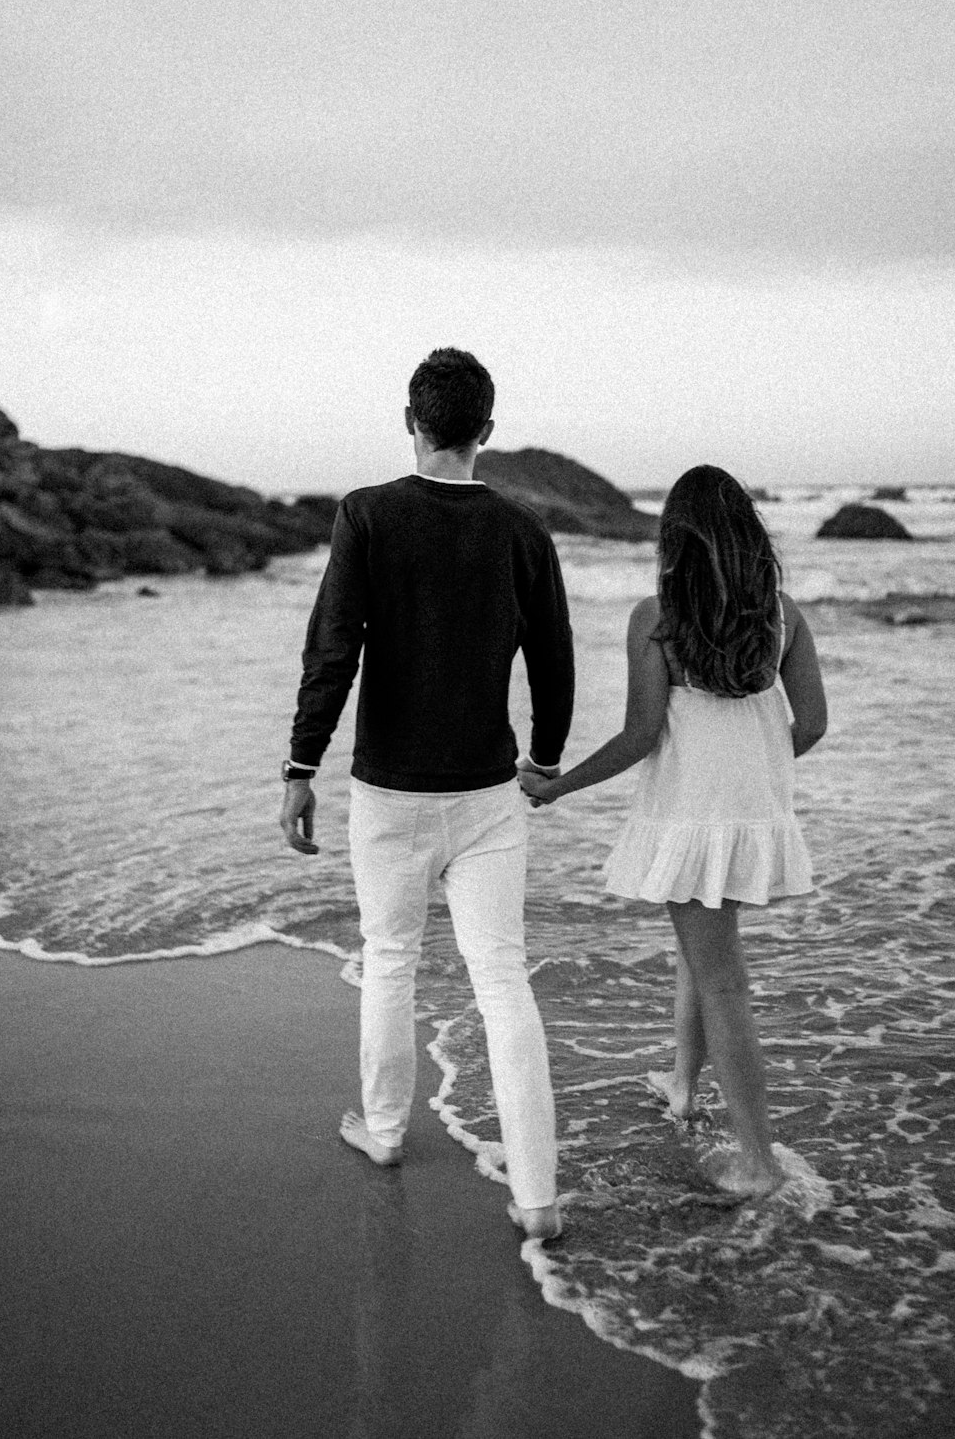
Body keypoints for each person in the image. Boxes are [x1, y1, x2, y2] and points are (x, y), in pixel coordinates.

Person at [280, 348, 574, 1241]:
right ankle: (537, 1198)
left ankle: (385, 1131)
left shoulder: (366, 516)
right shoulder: (523, 531)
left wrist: (301, 766)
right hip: (489, 792)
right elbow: (554, 657)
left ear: (411, 420)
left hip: (391, 792)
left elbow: (334, 647)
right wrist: (548, 760)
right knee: (501, 980)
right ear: (487, 430)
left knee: (391, 959)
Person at [519, 464, 827, 1197]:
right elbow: (810, 724)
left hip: (690, 820)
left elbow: (640, 735)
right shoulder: (782, 615)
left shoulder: (656, 619)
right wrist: (752, 767)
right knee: (699, 955)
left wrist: (556, 787)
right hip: (751, 819)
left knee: (723, 982)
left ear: (676, 538)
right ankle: (685, 1089)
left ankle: (761, 1163)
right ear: (745, 532)